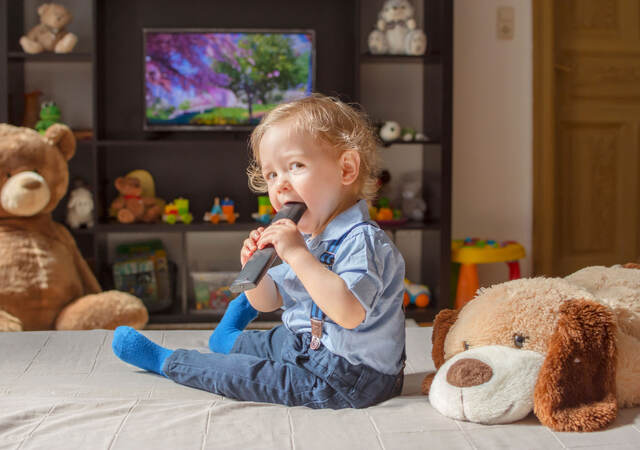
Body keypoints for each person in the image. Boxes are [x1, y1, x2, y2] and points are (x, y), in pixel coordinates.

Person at [112, 93, 407, 409]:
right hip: (306, 344)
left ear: (346, 169)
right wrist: (259, 271)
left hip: (348, 377)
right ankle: (226, 340)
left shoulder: (362, 242)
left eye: (295, 165)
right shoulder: (307, 236)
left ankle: (169, 362)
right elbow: (269, 301)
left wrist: (296, 255)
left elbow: (348, 313)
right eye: (272, 174)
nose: (280, 184)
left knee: (246, 374)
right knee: (271, 339)